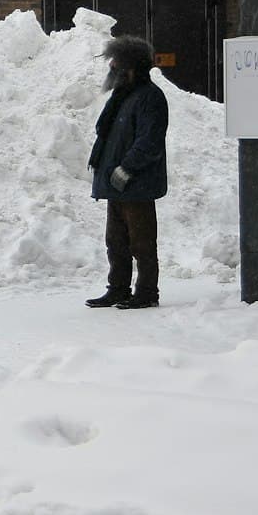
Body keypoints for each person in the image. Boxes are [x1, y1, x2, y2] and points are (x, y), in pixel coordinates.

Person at [85, 35, 168, 310]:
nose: (111, 65)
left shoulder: (150, 97)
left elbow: (149, 141)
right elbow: (105, 132)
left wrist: (126, 169)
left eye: (116, 61)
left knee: (142, 243)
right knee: (116, 242)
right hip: (116, 184)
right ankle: (118, 289)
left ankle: (146, 292)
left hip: (136, 183)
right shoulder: (123, 95)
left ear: (132, 66)